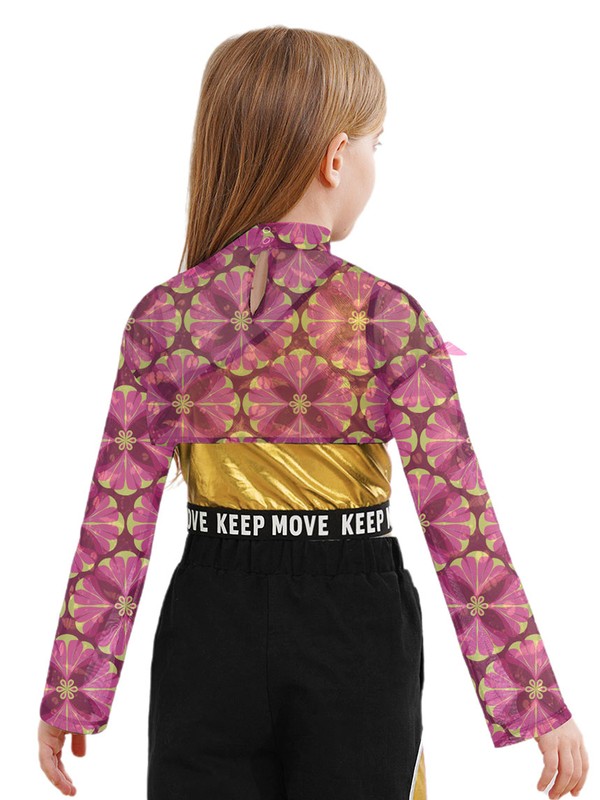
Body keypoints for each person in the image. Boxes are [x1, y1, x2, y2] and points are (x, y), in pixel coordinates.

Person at [37, 25, 588, 800]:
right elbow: (457, 516)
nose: (373, 165)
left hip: (210, 616)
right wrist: (533, 699)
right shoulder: (385, 318)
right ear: (336, 157)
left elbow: (116, 519)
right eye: (375, 144)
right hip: (355, 622)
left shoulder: (168, 317)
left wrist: (74, 688)